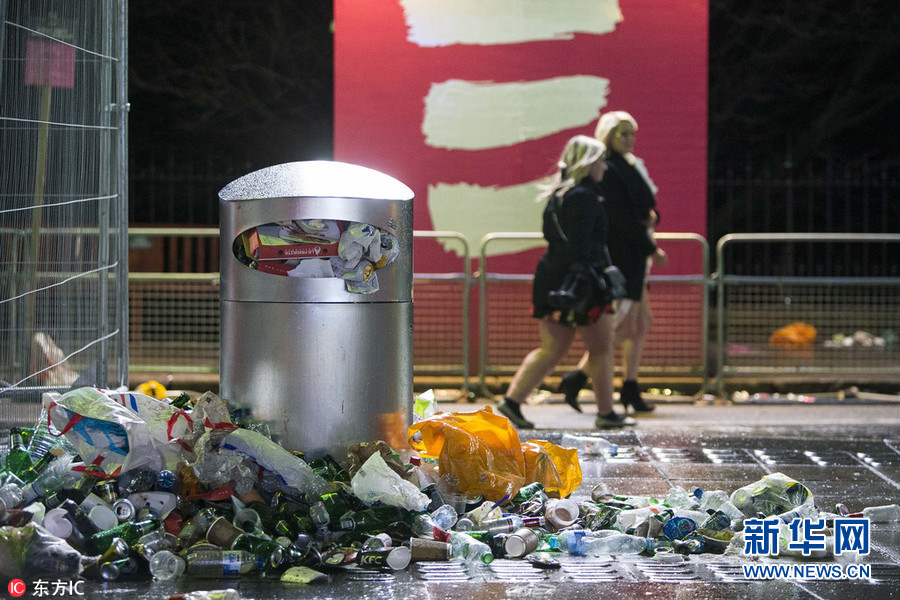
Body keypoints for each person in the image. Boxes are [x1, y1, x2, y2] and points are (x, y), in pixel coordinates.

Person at [497, 135, 635, 429]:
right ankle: (606, 412)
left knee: (552, 348)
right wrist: (600, 278)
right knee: (601, 347)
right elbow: (584, 245)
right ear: (588, 162)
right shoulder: (585, 196)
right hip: (582, 284)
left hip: (554, 280)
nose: (605, 167)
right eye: (600, 161)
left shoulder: (559, 194)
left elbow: (557, 238)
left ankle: (512, 401)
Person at [557, 111, 668, 413]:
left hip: (636, 252)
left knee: (640, 323)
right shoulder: (610, 169)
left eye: (632, 133)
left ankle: (625, 384)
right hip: (626, 254)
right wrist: (650, 247)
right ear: (608, 136)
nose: (630, 139)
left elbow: (643, 207)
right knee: (622, 325)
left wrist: (651, 222)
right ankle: (583, 378)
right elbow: (624, 219)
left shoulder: (628, 165)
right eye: (623, 134)